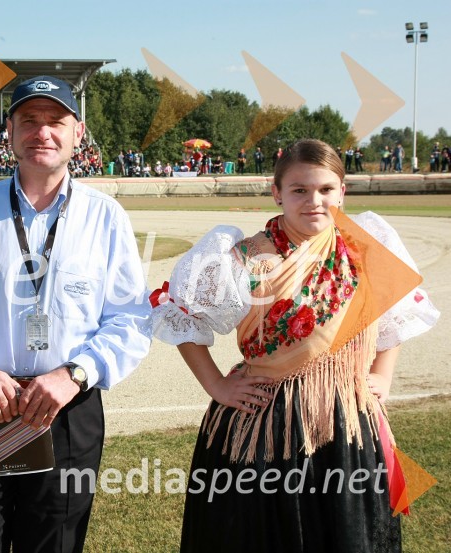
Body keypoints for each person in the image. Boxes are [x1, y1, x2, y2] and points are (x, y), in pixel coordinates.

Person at [151, 139, 439, 552]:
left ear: (342, 191)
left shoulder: (365, 246)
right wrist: (216, 385)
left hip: (347, 423)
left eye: (325, 189)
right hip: (264, 425)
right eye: (299, 190)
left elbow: (391, 314)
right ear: (277, 192)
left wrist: (383, 373)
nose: (314, 201)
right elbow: (180, 317)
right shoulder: (245, 257)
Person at [0, 75, 151, 553]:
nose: (42, 132)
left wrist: (74, 375)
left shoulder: (106, 217)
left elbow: (130, 319)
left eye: (55, 121)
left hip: (66, 410)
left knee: (54, 544)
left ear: (77, 133)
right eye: (29, 120)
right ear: (9, 131)